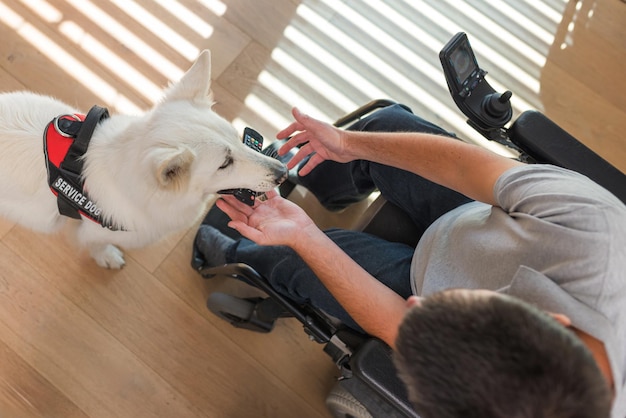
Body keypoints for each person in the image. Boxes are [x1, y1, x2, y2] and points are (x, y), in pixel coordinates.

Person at [195, 104, 624, 417]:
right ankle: (318, 178)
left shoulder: (504, 398)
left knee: (289, 256)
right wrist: (347, 144)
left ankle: (233, 252)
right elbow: (468, 170)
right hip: (481, 218)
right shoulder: (594, 229)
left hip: (432, 266)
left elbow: (401, 323)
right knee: (382, 127)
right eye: (466, 304)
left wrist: (304, 237)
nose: (416, 308)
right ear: (557, 321)